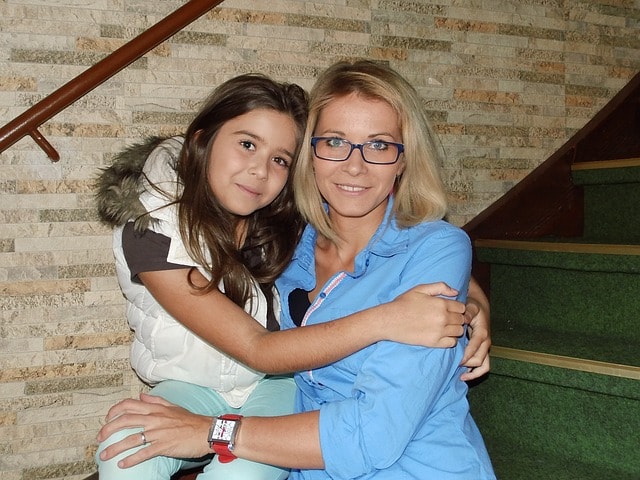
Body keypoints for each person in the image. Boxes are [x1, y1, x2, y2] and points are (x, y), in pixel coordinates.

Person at [96, 62, 495, 479]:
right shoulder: (291, 235)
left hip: (414, 467)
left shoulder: (430, 249)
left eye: (378, 146)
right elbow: (257, 344)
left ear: (404, 159)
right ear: (313, 156)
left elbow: (373, 433)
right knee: (124, 453)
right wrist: (424, 310)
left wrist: (470, 299)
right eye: (335, 142)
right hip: (293, 448)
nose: (354, 166)